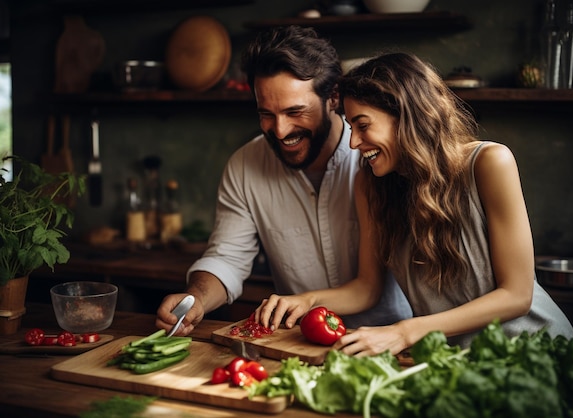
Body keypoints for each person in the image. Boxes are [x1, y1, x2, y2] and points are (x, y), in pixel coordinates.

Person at [255, 52, 573, 354]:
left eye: (363, 126)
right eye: (352, 128)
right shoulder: (369, 184)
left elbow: (517, 296)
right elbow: (367, 288)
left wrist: (405, 332)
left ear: (406, 116)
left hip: (537, 350)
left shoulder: (490, 163)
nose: (353, 142)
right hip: (459, 364)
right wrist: (306, 301)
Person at [156, 26, 412, 336]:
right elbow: (227, 258)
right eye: (266, 113)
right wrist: (195, 299)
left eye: (295, 111)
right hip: (301, 344)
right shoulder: (244, 166)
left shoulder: (374, 159)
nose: (279, 130)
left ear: (333, 97)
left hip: (393, 341)